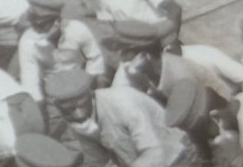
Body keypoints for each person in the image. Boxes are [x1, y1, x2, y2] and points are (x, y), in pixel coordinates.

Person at [44, 68, 187, 167]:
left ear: (90, 94)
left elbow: (154, 152)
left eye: (79, 106)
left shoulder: (122, 104)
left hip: (177, 157)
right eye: (68, 111)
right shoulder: (77, 122)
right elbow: (100, 162)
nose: (77, 115)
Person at [109, 19, 235, 106]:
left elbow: (194, 118)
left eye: (125, 52)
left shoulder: (179, 76)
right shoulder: (153, 69)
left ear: (144, 55)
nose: (121, 57)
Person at [17, 0, 107, 98]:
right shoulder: (28, 41)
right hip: (51, 88)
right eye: (34, 25)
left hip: (79, 79)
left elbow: (95, 58)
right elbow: (30, 81)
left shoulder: (77, 29)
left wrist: (90, 87)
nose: (36, 30)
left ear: (57, 21)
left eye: (41, 25)